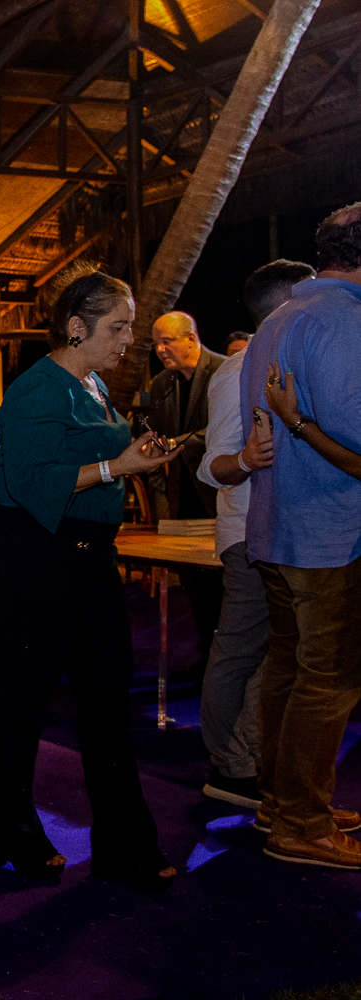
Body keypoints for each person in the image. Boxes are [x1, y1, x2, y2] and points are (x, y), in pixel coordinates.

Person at [0, 268, 182, 891]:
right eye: (117, 327)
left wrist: (133, 459)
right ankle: (13, 830)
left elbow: (91, 460)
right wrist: (120, 464)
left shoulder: (93, 384)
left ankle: (123, 843)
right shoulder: (38, 388)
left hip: (87, 558)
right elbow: (32, 483)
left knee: (106, 700)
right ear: (75, 327)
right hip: (32, 558)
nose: (128, 339)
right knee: (25, 703)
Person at [241, 203, 361, 868]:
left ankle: (282, 801)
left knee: (289, 669)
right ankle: (304, 824)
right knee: (330, 678)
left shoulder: (279, 317)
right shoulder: (345, 320)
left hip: (278, 522)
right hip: (331, 531)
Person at [194, 259, 314, 810]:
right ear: (283, 305)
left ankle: (252, 756)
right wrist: (245, 459)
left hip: (285, 530)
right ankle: (229, 765)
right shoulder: (237, 370)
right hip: (248, 532)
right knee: (240, 650)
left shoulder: (289, 359)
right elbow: (211, 465)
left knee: (278, 651)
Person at [146, 310, 226, 669]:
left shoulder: (223, 371)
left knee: (224, 582)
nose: (160, 350)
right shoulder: (162, 383)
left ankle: (221, 657)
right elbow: (157, 432)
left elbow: (221, 431)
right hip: (182, 494)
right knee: (194, 585)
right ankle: (205, 650)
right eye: (156, 344)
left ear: (191, 338)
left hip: (219, 491)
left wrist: (177, 443)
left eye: (167, 341)